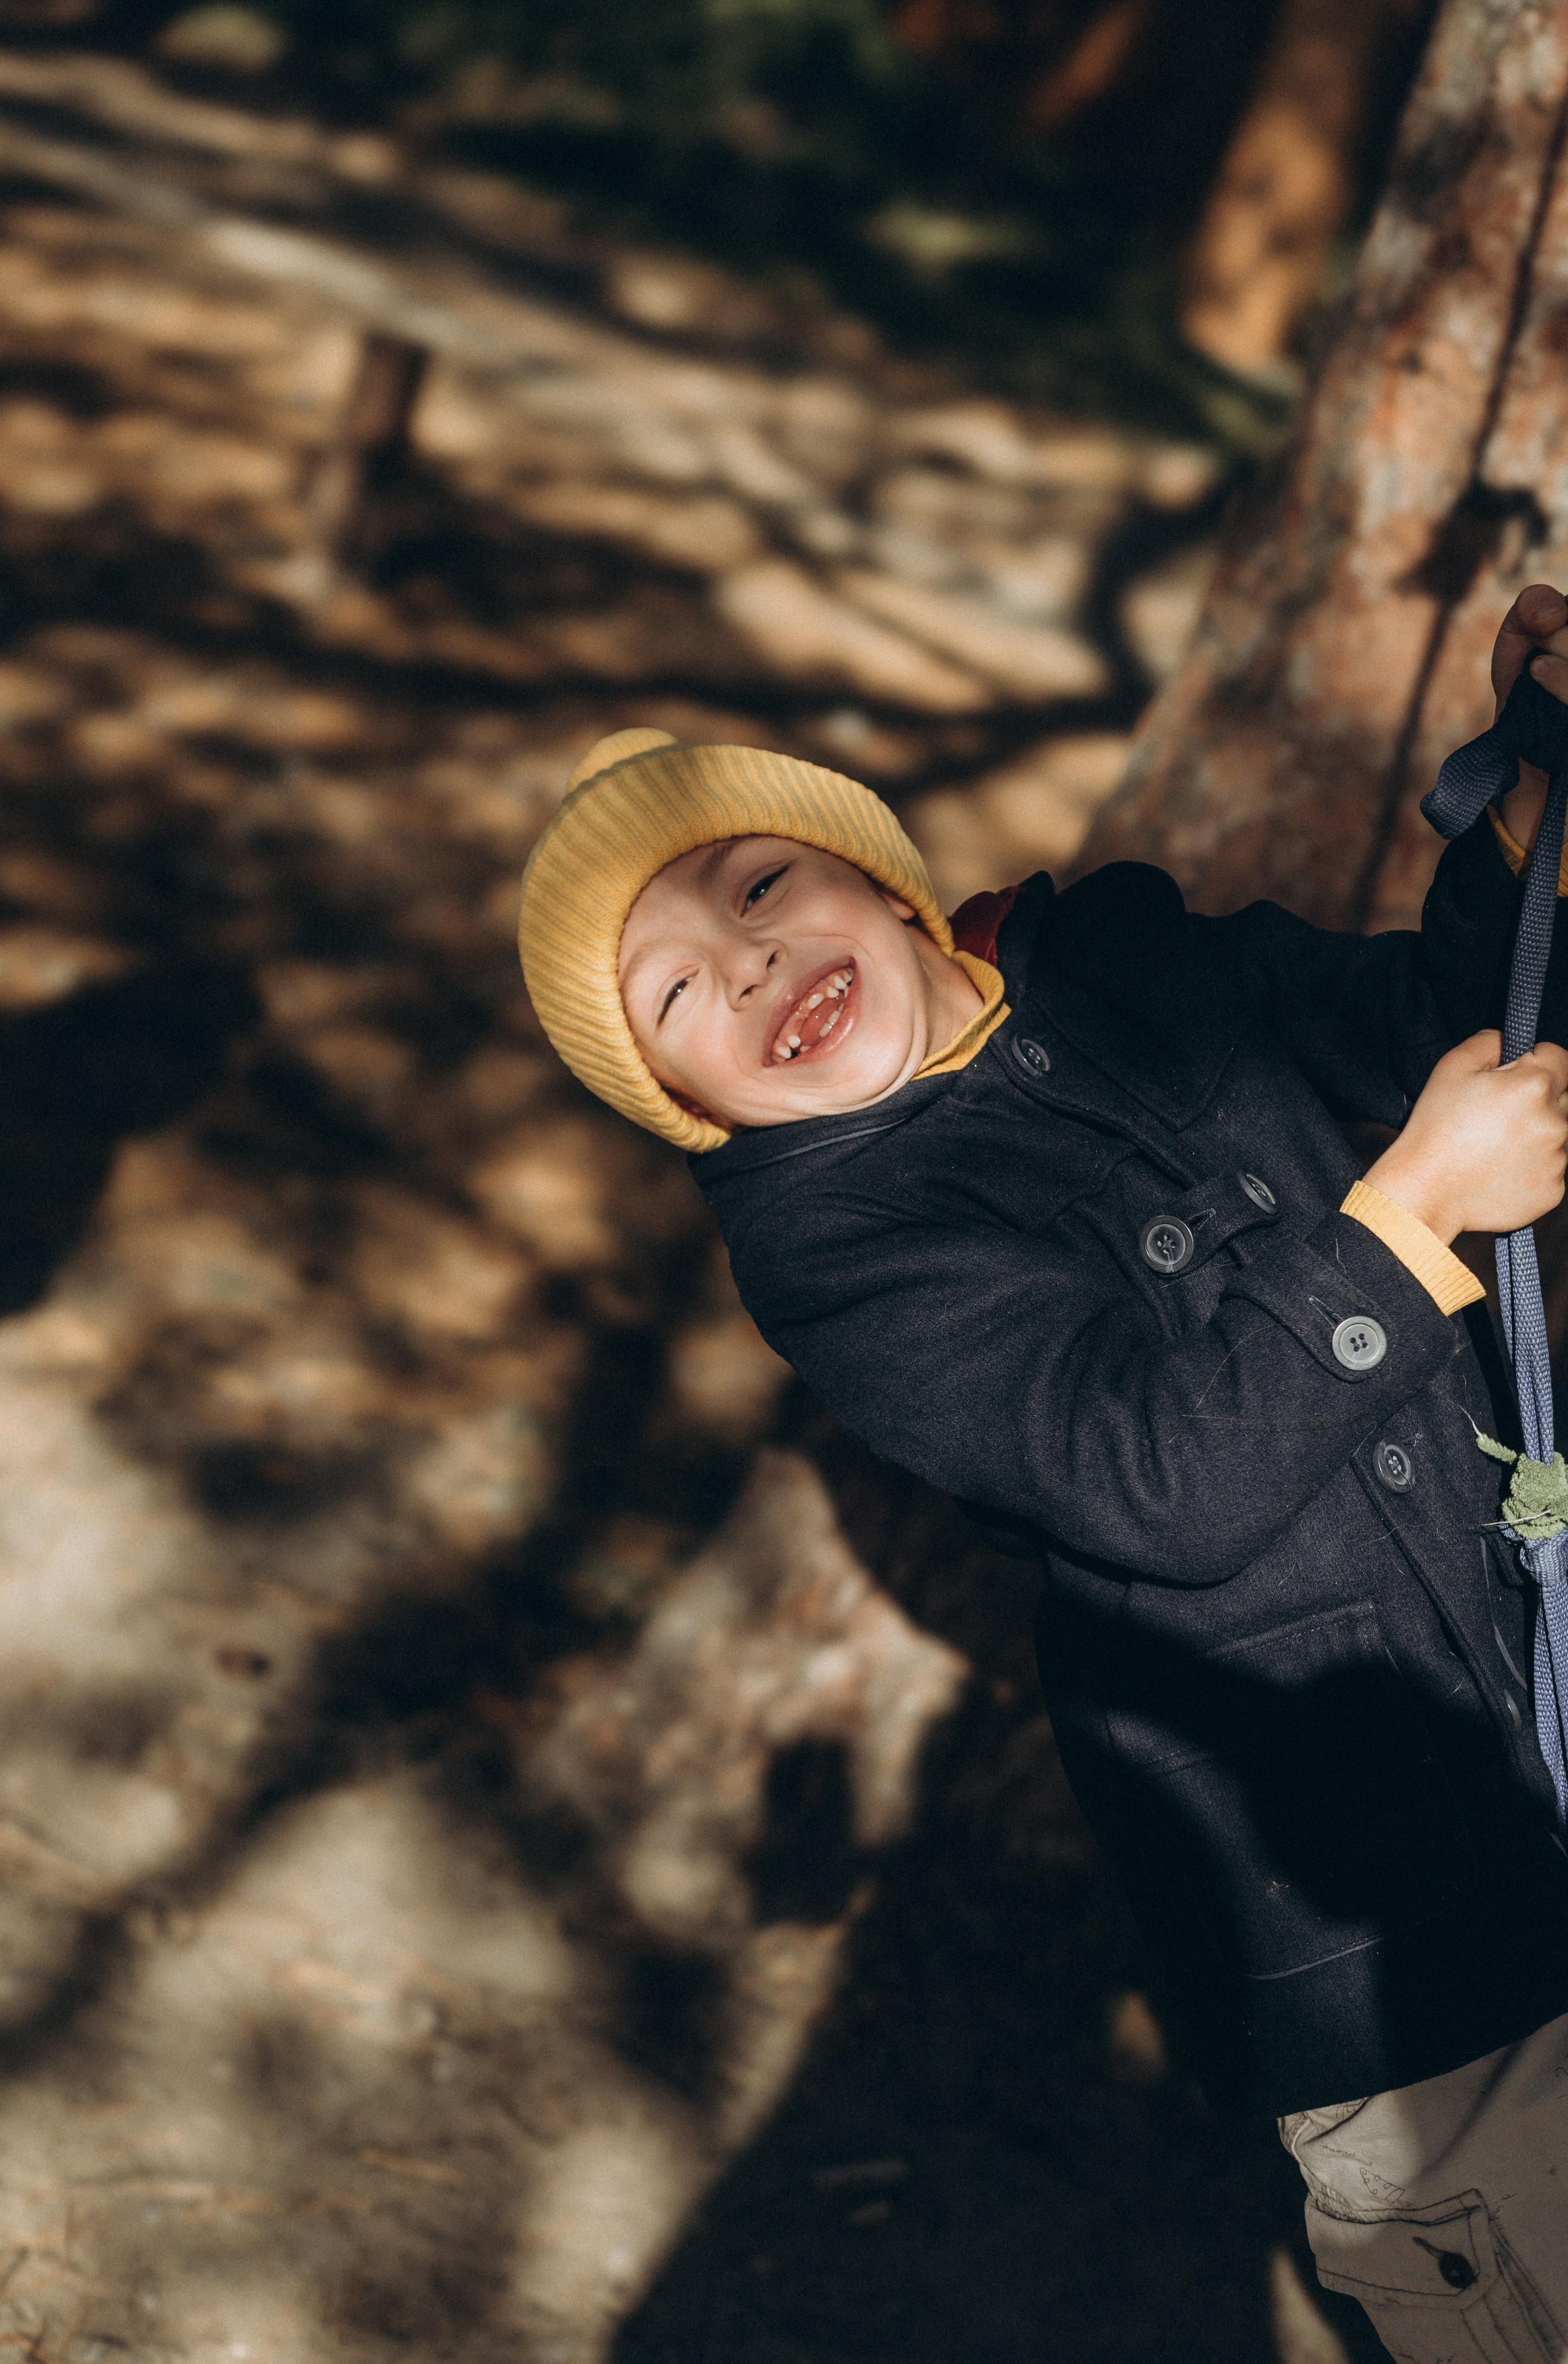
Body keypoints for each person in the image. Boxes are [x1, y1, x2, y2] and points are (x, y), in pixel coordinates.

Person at [518, 586, 1568, 2358]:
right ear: (684, 1105)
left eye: (761, 887)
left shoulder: (1137, 961)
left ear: (882, 878)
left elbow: (1426, 1032)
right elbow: (1147, 1476)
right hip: (1396, 1929)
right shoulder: (848, 1255)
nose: (754, 964)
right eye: (680, 992)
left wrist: (1532, 801)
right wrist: (1405, 1221)